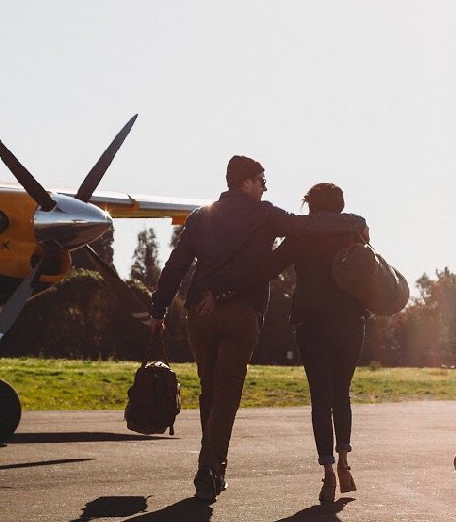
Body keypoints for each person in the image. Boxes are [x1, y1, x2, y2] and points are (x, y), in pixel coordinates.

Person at [145, 156, 368, 504]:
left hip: (199, 313)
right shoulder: (266, 215)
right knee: (228, 393)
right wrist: (353, 220)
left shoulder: (201, 216)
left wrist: (158, 310)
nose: (265, 186)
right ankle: (210, 465)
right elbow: (303, 227)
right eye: (262, 180)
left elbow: (177, 264)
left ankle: (214, 466)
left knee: (210, 390)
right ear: (246, 182)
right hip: (242, 313)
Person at [240, 182, 369, 504]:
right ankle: (344, 462)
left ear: (311, 205)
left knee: (319, 399)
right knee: (342, 393)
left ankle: (326, 470)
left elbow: (266, 268)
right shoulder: (354, 230)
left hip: (311, 325)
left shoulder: (299, 235)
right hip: (350, 323)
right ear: (340, 205)